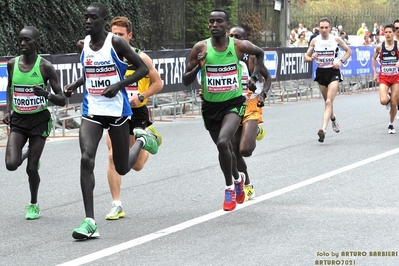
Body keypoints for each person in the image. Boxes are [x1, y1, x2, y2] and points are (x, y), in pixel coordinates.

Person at [64, 2, 158, 240]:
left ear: (102, 20)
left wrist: (118, 85)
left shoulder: (115, 42)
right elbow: (89, 71)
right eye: (85, 17)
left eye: (93, 18)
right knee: (87, 158)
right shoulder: (82, 44)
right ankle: (90, 221)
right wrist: (76, 85)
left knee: (123, 167)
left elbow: (141, 70)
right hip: (92, 110)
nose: (87, 21)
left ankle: (142, 141)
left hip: (117, 111)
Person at [182, 9, 265, 211]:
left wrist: (254, 76)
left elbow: (259, 53)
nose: (214, 25)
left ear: (226, 26)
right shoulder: (200, 48)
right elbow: (185, 80)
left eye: (219, 21)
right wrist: (198, 67)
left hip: (234, 104)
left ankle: (229, 189)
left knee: (223, 142)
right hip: (211, 107)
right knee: (224, 149)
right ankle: (238, 179)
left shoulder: (237, 47)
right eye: (211, 21)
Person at [2, 26, 66, 220]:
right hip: (19, 120)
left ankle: (33, 204)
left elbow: (62, 99)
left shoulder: (45, 66)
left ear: (36, 42)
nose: (22, 43)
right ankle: (29, 151)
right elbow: (10, 87)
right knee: (11, 164)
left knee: (31, 168)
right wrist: (8, 110)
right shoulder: (12, 64)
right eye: (20, 39)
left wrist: (45, 94)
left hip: (39, 121)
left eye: (27, 40)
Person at [105, 16, 163, 220]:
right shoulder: (106, 57)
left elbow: (158, 83)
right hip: (114, 112)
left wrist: (141, 96)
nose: (116, 37)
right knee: (113, 156)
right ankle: (116, 204)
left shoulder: (142, 58)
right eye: (113, 34)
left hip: (136, 111)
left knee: (136, 165)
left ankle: (148, 138)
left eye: (120, 34)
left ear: (129, 36)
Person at [228, 26, 272, 201]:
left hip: (251, 104)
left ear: (245, 39)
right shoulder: (222, 56)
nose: (233, 39)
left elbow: (267, 78)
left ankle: (255, 132)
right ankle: (247, 186)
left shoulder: (252, 57)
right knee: (234, 152)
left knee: (245, 150)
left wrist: (263, 94)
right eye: (230, 36)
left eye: (237, 36)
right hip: (231, 104)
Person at [304, 17, 352, 143]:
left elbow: (349, 51)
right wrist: (312, 57)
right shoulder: (315, 40)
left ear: (330, 28)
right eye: (322, 28)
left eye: (326, 27)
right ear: (318, 28)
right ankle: (333, 119)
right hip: (321, 73)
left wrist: (341, 62)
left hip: (333, 72)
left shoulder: (336, 39)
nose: (324, 30)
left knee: (329, 101)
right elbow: (306, 57)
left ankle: (323, 130)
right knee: (327, 102)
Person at [372, 24, 399, 134]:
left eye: (389, 32)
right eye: (386, 32)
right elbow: (373, 59)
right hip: (384, 77)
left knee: (394, 102)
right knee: (383, 101)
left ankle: (391, 124)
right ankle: (389, 102)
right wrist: (375, 73)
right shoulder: (380, 46)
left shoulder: (397, 45)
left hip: (396, 77)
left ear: (393, 33)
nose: (388, 34)